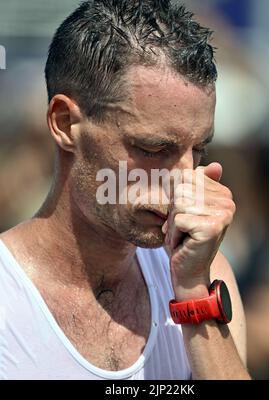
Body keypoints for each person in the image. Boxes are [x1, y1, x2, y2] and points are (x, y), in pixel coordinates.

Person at [0, 0, 250, 380]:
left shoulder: (203, 273)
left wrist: (194, 295)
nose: (185, 182)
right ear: (65, 123)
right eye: (153, 149)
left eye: (198, 150)